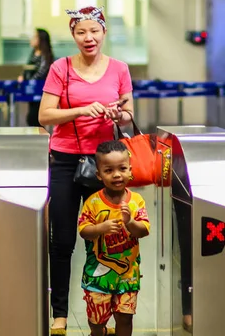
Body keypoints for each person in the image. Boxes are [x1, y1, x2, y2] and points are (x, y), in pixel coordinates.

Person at [38, 6, 135, 334]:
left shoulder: (120, 69)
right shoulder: (60, 68)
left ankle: (101, 316)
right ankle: (60, 314)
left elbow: (128, 114)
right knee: (62, 240)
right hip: (65, 162)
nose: (88, 38)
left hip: (105, 165)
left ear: (104, 32)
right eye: (81, 32)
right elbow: (45, 116)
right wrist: (81, 110)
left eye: (94, 31)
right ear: (73, 34)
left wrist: (116, 115)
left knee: (106, 240)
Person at [78, 140, 150, 336]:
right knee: (96, 322)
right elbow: (84, 230)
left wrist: (130, 223)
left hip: (127, 276)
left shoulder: (136, 201)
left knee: (125, 318)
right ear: (99, 175)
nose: (117, 175)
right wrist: (100, 228)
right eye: (109, 170)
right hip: (97, 277)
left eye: (122, 168)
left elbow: (143, 230)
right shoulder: (92, 202)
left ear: (130, 170)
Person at [18, 28, 55, 126]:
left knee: (35, 118)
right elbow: (27, 68)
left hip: (39, 91)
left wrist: (30, 82)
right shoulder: (33, 53)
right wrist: (22, 76)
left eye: (35, 37)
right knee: (31, 117)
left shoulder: (45, 55)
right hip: (30, 90)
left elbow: (41, 72)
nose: (32, 39)